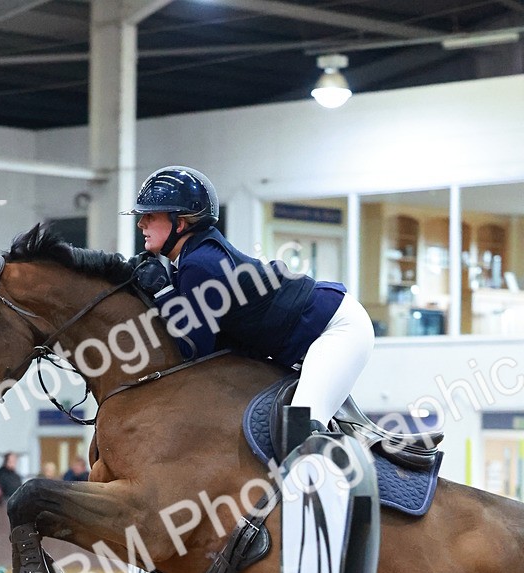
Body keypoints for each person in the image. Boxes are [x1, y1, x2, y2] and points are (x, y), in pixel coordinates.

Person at [127, 165, 374, 431]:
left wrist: (163, 293)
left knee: (301, 427)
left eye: (150, 215)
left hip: (337, 328)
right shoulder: (189, 258)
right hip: (317, 325)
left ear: (181, 221)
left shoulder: (200, 263)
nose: (141, 223)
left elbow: (194, 351)